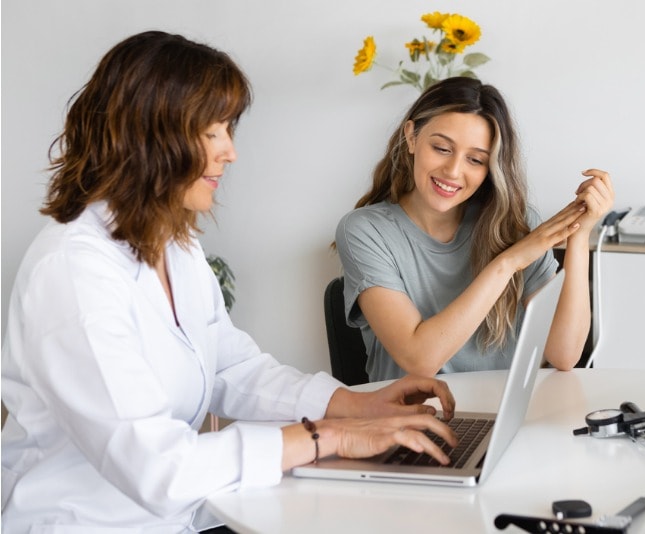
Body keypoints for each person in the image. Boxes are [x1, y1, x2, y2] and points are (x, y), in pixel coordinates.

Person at [0, 31, 458, 532]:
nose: (230, 152)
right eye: (213, 131)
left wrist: (355, 405)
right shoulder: (73, 272)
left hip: (182, 518)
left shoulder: (174, 243)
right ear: (150, 135)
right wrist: (330, 437)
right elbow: (157, 467)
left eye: (228, 129)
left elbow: (230, 367)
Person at [335, 77, 615, 382]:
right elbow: (419, 360)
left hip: (497, 417)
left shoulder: (515, 224)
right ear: (412, 137)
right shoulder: (365, 231)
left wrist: (579, 235)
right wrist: (508, 263)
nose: (454, 171)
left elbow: (564, 354)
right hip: (409, 420)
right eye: (442, 148)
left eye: (475, 160)